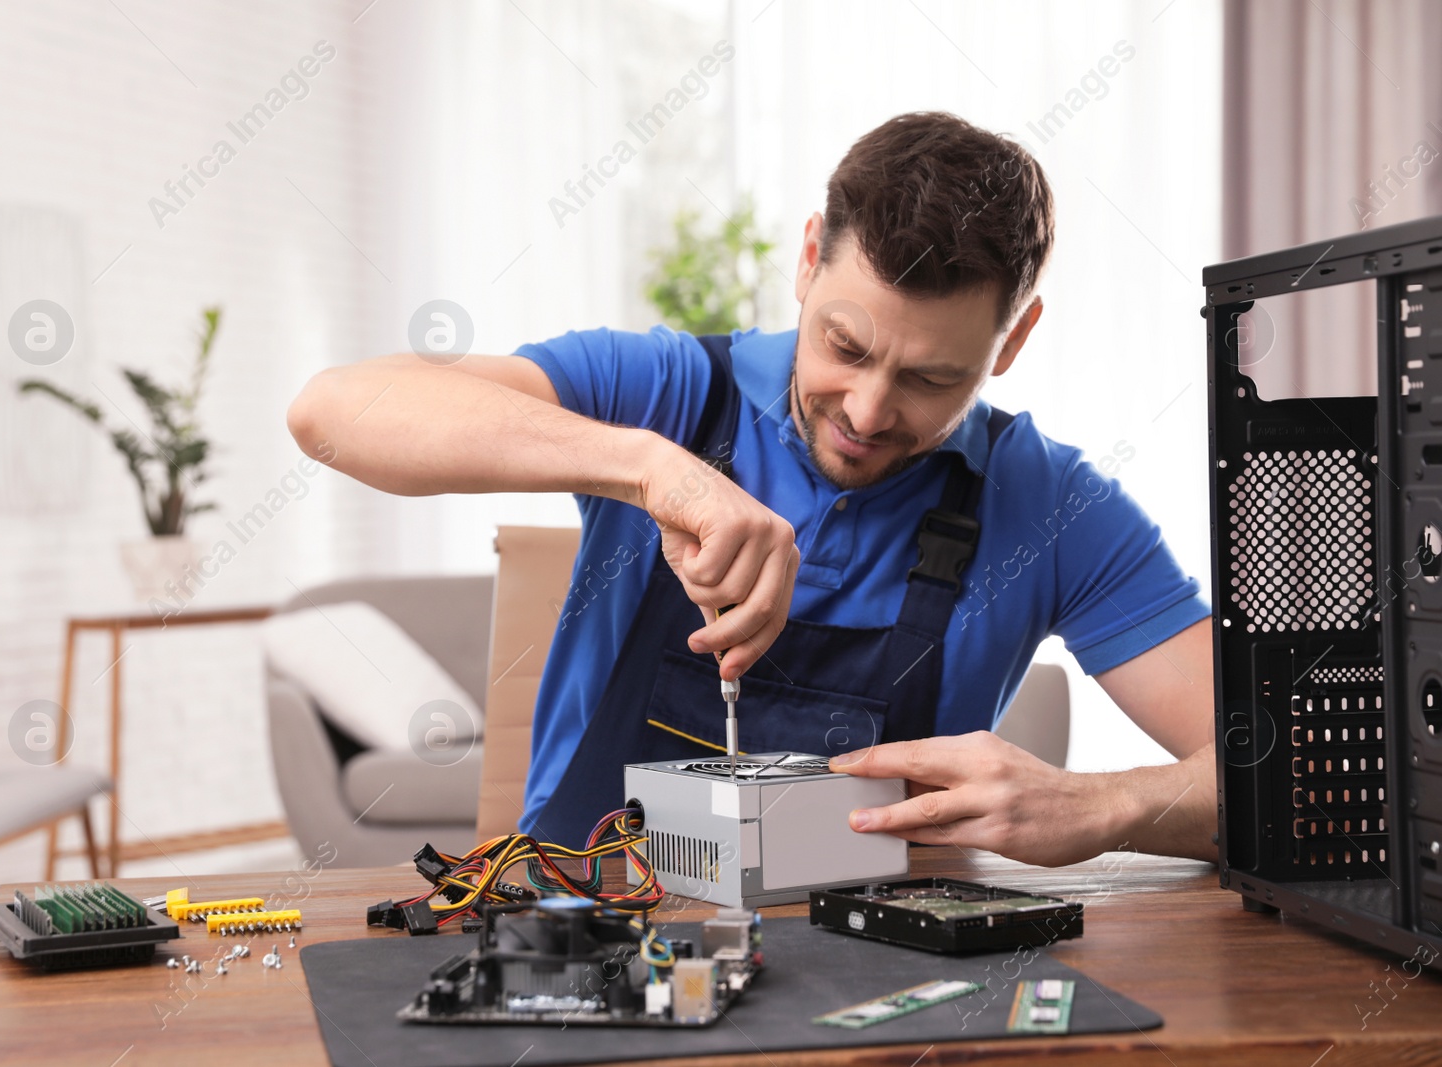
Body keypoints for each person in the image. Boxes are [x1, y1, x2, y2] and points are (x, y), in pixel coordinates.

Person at [287, 111, 1216, 868]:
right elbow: (333, 410)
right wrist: (654, 467)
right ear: (809, 259)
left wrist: (1107, 803)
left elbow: (1299, 772)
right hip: (585, 946)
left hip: (877, 977)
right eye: (845, 346)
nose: (866, 409)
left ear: (1011, 344)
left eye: (931, 379)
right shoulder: (666, 394)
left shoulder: (1052, 505)